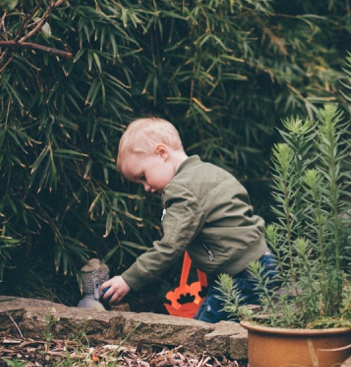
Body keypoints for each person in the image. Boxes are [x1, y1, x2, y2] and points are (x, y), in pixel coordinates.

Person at [99, 117, 275, 323]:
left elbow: (169, 246)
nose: (146, 188)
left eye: (143, 176)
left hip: (242, 275)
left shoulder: (181, 190)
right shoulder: (210, 171)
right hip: (264, 262)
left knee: (203, 332)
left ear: (162, 153)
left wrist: (129, 279)